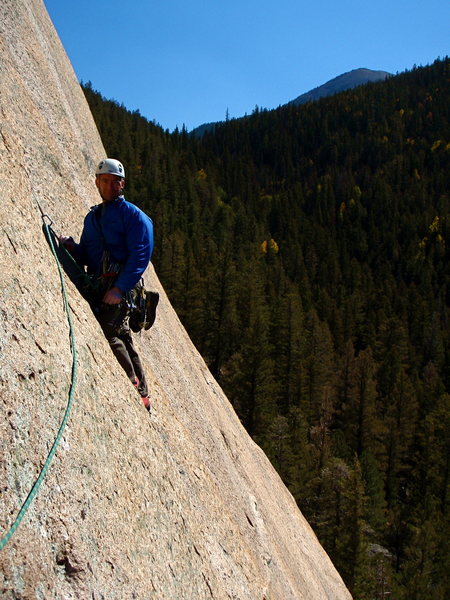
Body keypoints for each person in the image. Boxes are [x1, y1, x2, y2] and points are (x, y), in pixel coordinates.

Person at [61, 158, 154, 412]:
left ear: (122, 184)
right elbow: (87, 256)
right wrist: (72, 248)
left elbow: (140, 256)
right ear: (97, 182)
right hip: (102, 284)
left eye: (115, 182)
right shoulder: (92, 219)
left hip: (119, 288)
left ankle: (134, 383)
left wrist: (120, 288)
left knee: (111, 333)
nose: (110, 186)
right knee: (122, 334)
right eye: (105, 181)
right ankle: (143, 392)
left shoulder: (134, 217)